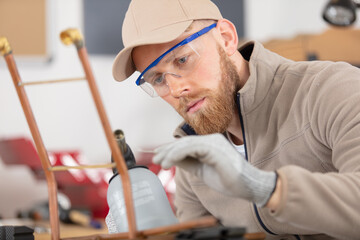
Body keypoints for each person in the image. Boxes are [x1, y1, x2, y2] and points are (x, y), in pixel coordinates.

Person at [110, 0, 360, 239]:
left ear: (226, 38)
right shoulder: (194, 159)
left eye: (182, 59)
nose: (175, 90)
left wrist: (263, 187)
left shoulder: (330, 89)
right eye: (157, 79)